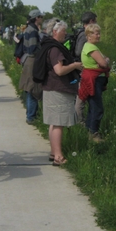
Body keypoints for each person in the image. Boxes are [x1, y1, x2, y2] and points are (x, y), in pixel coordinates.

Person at [35, 19, 84, 165]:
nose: (66, 33)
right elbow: (59, 70)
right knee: (58, 123)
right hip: (58, 90)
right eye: (63, 31)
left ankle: (53, 152)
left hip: (50, 88)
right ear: (55, 31)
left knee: (53, 123)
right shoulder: (55, 49)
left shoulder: (47, 45)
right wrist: (75, 65)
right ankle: (58, 156)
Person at [78, 23, 110, 142]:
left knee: (93, 107)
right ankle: (94, 134)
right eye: (96, 33)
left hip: (92, 79)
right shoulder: (91, 48)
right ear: (89, 35)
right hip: (94, 81)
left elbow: (102, 61)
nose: (99, 35)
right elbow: (104, 63)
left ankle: (89, 131)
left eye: (99, 33)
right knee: (97, 108)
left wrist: (104, 60)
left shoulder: (88, 46)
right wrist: (105, 60)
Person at [19, 9, 44, 124]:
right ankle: (31, 117)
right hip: (32, 61)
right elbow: (33, 49)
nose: (42, 19)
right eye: (40, 17)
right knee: (32, 90)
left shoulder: (28, 29)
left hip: (27, 60)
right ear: (36, 18)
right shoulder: (33, 31)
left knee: (29, 89)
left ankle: (30, 114)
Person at [74, 11, 97, 123]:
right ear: (91, 21)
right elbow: (78, 52)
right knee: (81, 98)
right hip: (83, 69)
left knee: (82, 97)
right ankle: (80, 123)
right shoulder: (84, 34)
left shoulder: (81, 32)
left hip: (83, 68)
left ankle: (82, 122)